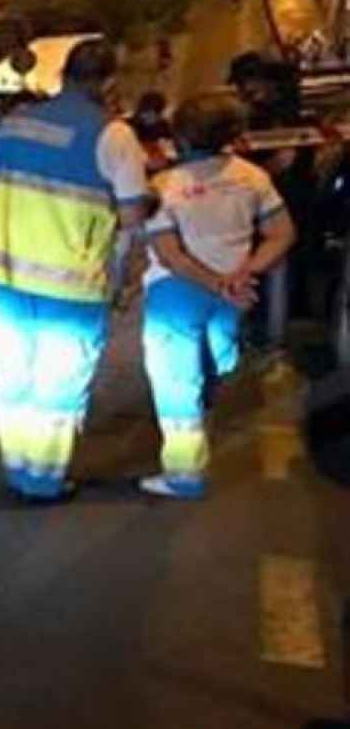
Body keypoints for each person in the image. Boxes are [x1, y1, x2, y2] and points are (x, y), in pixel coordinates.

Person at [0, 38, 153, 503]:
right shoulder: (113, 135)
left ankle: (17, 469)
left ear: (63, 75)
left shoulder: (9, 125)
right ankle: (44, 478)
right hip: (71, 285)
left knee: (14, 382)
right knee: (58, 385)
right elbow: (131, 218)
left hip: (3, 277)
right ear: (109, 82)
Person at [138, 94, 296, 499]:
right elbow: (283, 233)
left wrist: (214, 281)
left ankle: (184, 475)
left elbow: (170, 254)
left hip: (176, 293)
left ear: (180, 138)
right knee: (215, 364)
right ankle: (203, 422)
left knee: (176, 382)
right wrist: (244, 273)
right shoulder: (252, 177)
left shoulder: (164, 186)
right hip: (232, 294)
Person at [228, 53, 317, 351]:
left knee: (275, 266)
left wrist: (246, 177)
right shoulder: (266, 113)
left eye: (245, 86)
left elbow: (285, 162)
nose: (241, 93)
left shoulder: (278, 115)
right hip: (274, 204)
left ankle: (271, 339)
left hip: (281, 205)